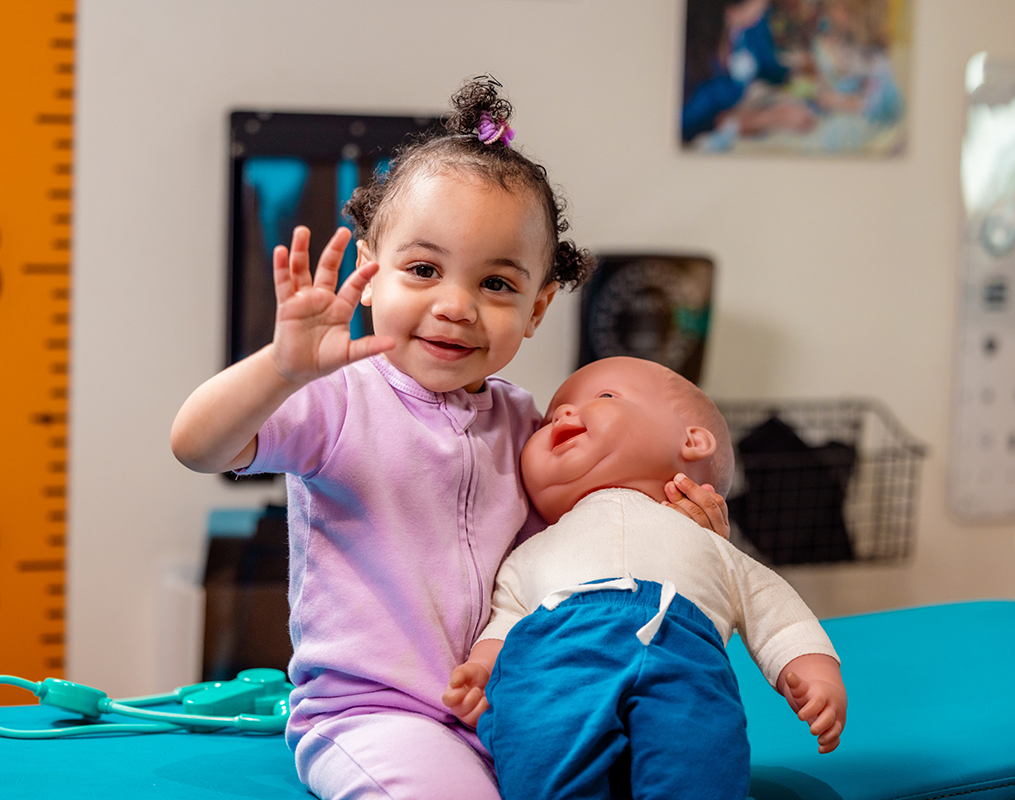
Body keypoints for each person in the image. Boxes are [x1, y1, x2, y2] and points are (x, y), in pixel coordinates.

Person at [172, 79, 729, 800]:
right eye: (425, 270)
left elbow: (603, 531)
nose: (456, 306)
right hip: (373, 714)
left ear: (538, 307)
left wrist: (686, 526)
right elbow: (198, 445)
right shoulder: (339, 402)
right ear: (368, 275)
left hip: (508, 705)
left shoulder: (527, 425)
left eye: (497, 284)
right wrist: (280, 369)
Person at [442, 357, 847, 800]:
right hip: (552, 662)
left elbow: (777, 610)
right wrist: (483, 670)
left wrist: (814, 671)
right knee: (541, 760)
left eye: (605, 396)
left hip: (683, 655)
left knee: (701, 764)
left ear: (691, 441)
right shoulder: (529, 551)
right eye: (549, 418)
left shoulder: (711, 545)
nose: (560, 415)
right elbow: (507, 617)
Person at [681, 0, 817, 145]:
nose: (765, 6)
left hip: (734, 119)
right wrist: (767, 118)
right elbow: (689, 123)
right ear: (733, 10)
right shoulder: (691, 49)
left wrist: (797, 74)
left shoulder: (749, 29)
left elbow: (767, 66)